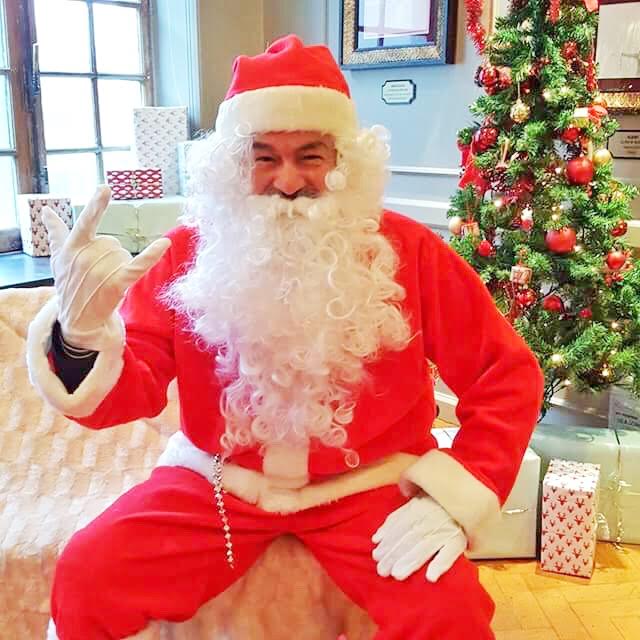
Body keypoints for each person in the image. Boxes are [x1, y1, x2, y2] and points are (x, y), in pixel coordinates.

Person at [27, 34, 544, 640]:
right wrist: (80, 337)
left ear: (344, 160)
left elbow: (505, 375)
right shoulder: (187, 255)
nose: (289, 180)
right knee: (89, 574)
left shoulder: (410, 251)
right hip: (218, 487)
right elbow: (129, 391)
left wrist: (455, 497)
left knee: (448, 614)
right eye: (264, 157)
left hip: (370, 489)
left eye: (310, 155)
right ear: (233, 165)